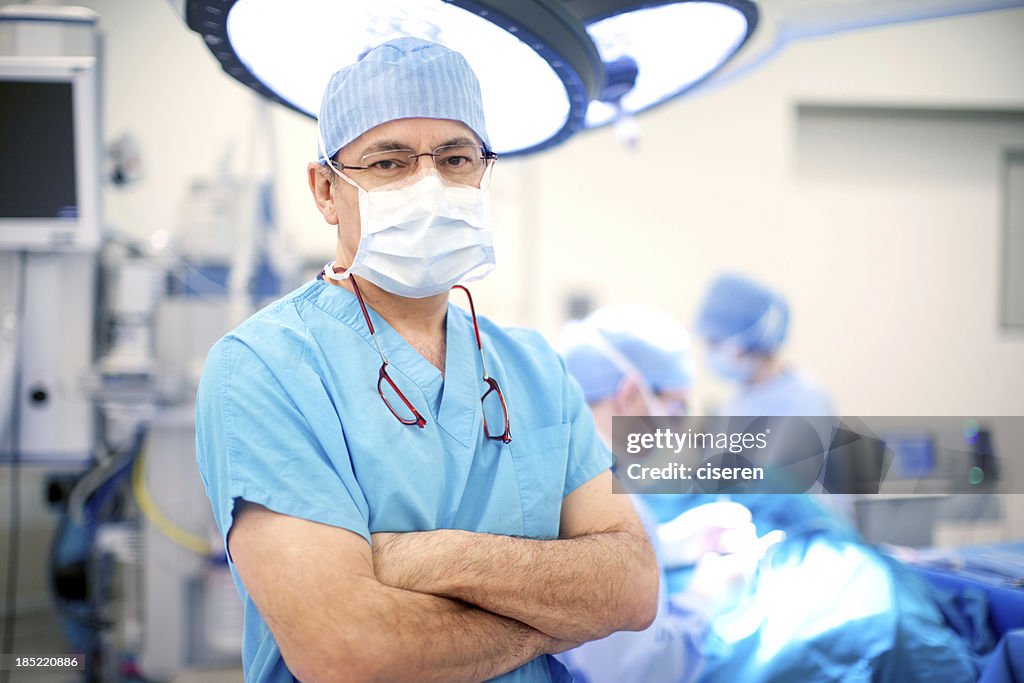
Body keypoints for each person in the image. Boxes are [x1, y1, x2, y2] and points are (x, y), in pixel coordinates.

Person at [194, 38, 658, 683]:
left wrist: (427, 558)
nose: (430, 186)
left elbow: (633, 587)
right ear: (326, 190)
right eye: (389, 163)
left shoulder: (533, 369)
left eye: (455, 157)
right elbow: (347, 651)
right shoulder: (263, 368)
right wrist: (556, 611)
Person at [557, 304, 764, 683]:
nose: (677, 428)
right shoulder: (592, 490)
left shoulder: (569, 462)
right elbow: (636, 670)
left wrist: (669, 546)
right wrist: (705, 600)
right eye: (676, 407)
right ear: (631, 393)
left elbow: (585, 572)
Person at [694, 273, 834, 417]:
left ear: (746, 344)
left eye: (715, 343)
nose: (708, 352)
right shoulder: (739, 401)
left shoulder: (804, 400)